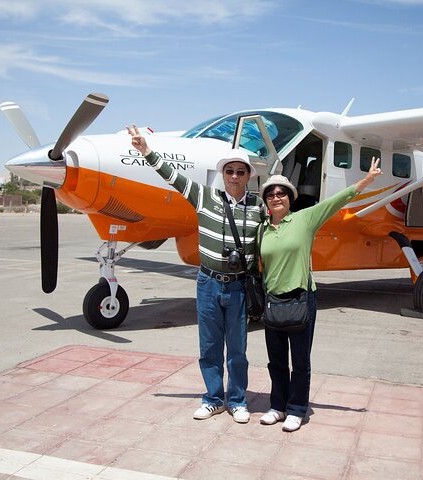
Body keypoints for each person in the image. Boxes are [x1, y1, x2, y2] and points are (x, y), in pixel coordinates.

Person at [126, 125, 265, 424]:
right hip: (208, 283)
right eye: (230, 171)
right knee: (210, 346)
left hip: (240, 286)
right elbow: (172, 177)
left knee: (238, 349)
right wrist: (146, 151)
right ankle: (214, 399)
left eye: (241, 172)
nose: (235, 176)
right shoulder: (204, 197)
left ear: (248, 176)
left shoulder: (258, 206)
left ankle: (238, 400)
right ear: (223, 174)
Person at [258, 158, 382, 432]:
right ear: (266, 201)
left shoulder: (305, 219)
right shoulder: (262, 229)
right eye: (271, 194)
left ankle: (297, 409)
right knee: (276, 360)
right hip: (273, 301)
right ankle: (277, 406)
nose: (276, 197)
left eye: (281, 193)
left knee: (300, 361)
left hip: (301, 299)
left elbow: (336, 201)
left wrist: (367, 180)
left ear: (290, 198)